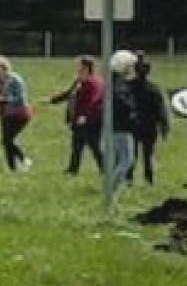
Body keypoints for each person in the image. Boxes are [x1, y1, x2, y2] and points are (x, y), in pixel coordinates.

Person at [49, 56, 105, 175]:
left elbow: (94, 100)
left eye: (78, 65)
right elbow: (69, 93)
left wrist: (85, 115)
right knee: (76, 146)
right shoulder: (79, 80)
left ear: (85, 67)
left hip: (90, 121)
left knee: (94, 146)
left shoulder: (93, 82)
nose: (76, 67)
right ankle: (72, 170)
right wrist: (52, 100)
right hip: (78, 120)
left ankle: (105, 169)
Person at [128, 55, 171, 185]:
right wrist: (164, 127)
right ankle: (149, 179)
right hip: (149, 126)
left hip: (133, 125)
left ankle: (129, 179)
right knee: (148, 154)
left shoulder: (128, 86)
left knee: (132, 155)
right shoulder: (153, 88)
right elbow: (161, 110)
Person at [0, 56, 33, 172]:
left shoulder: (15, 79)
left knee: (8, 140)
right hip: (6, 113)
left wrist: (4, 99)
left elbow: (20, 98)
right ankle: (12, 168)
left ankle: (24, 160)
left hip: (20, 114)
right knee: (5, 141)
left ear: (4, 67)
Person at [106, 50, 140, 187]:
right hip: (121, 126)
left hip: (115, 125)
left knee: (119, 158)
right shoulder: (119, 85)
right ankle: (111, 187)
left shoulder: (113, 81)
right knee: (127, 160)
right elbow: (124, 104)